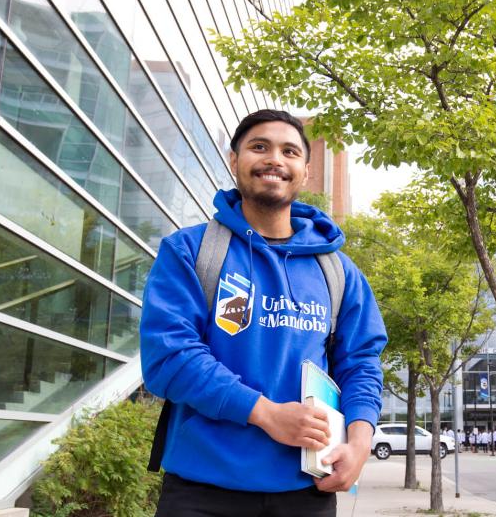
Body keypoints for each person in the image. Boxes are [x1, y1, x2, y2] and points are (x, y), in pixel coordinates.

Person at [142, 109, 388, 517]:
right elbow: (169, 358)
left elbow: (361, 362)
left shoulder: (338, 271)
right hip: (201, 491)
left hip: (306, 491)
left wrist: (360, 440)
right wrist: (267, 415)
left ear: (305, 172)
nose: (275, 158)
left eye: (289, 150)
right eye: (259, 147)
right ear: (234, 160)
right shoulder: (190, 251)